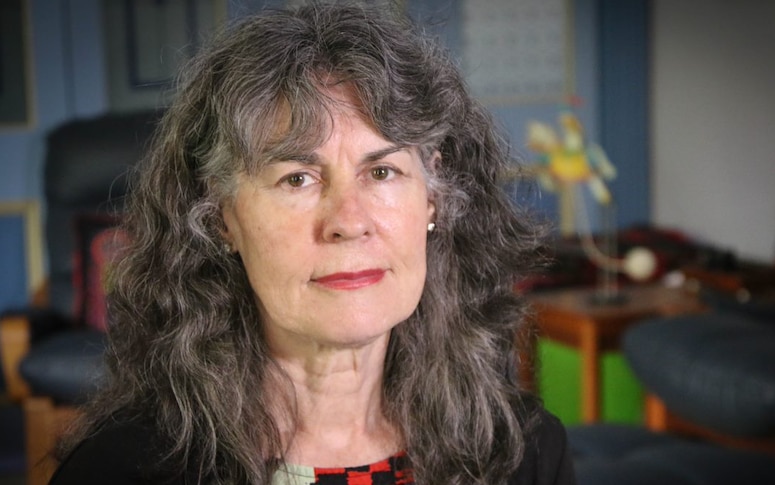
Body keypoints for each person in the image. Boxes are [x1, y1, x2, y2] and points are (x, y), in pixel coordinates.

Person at [50, 3, 575, 484]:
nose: (349, 221)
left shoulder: (524, 451)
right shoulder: (120, 469)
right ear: (221, 216)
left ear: (434, 197)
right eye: (297, 178)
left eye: (383, 171)